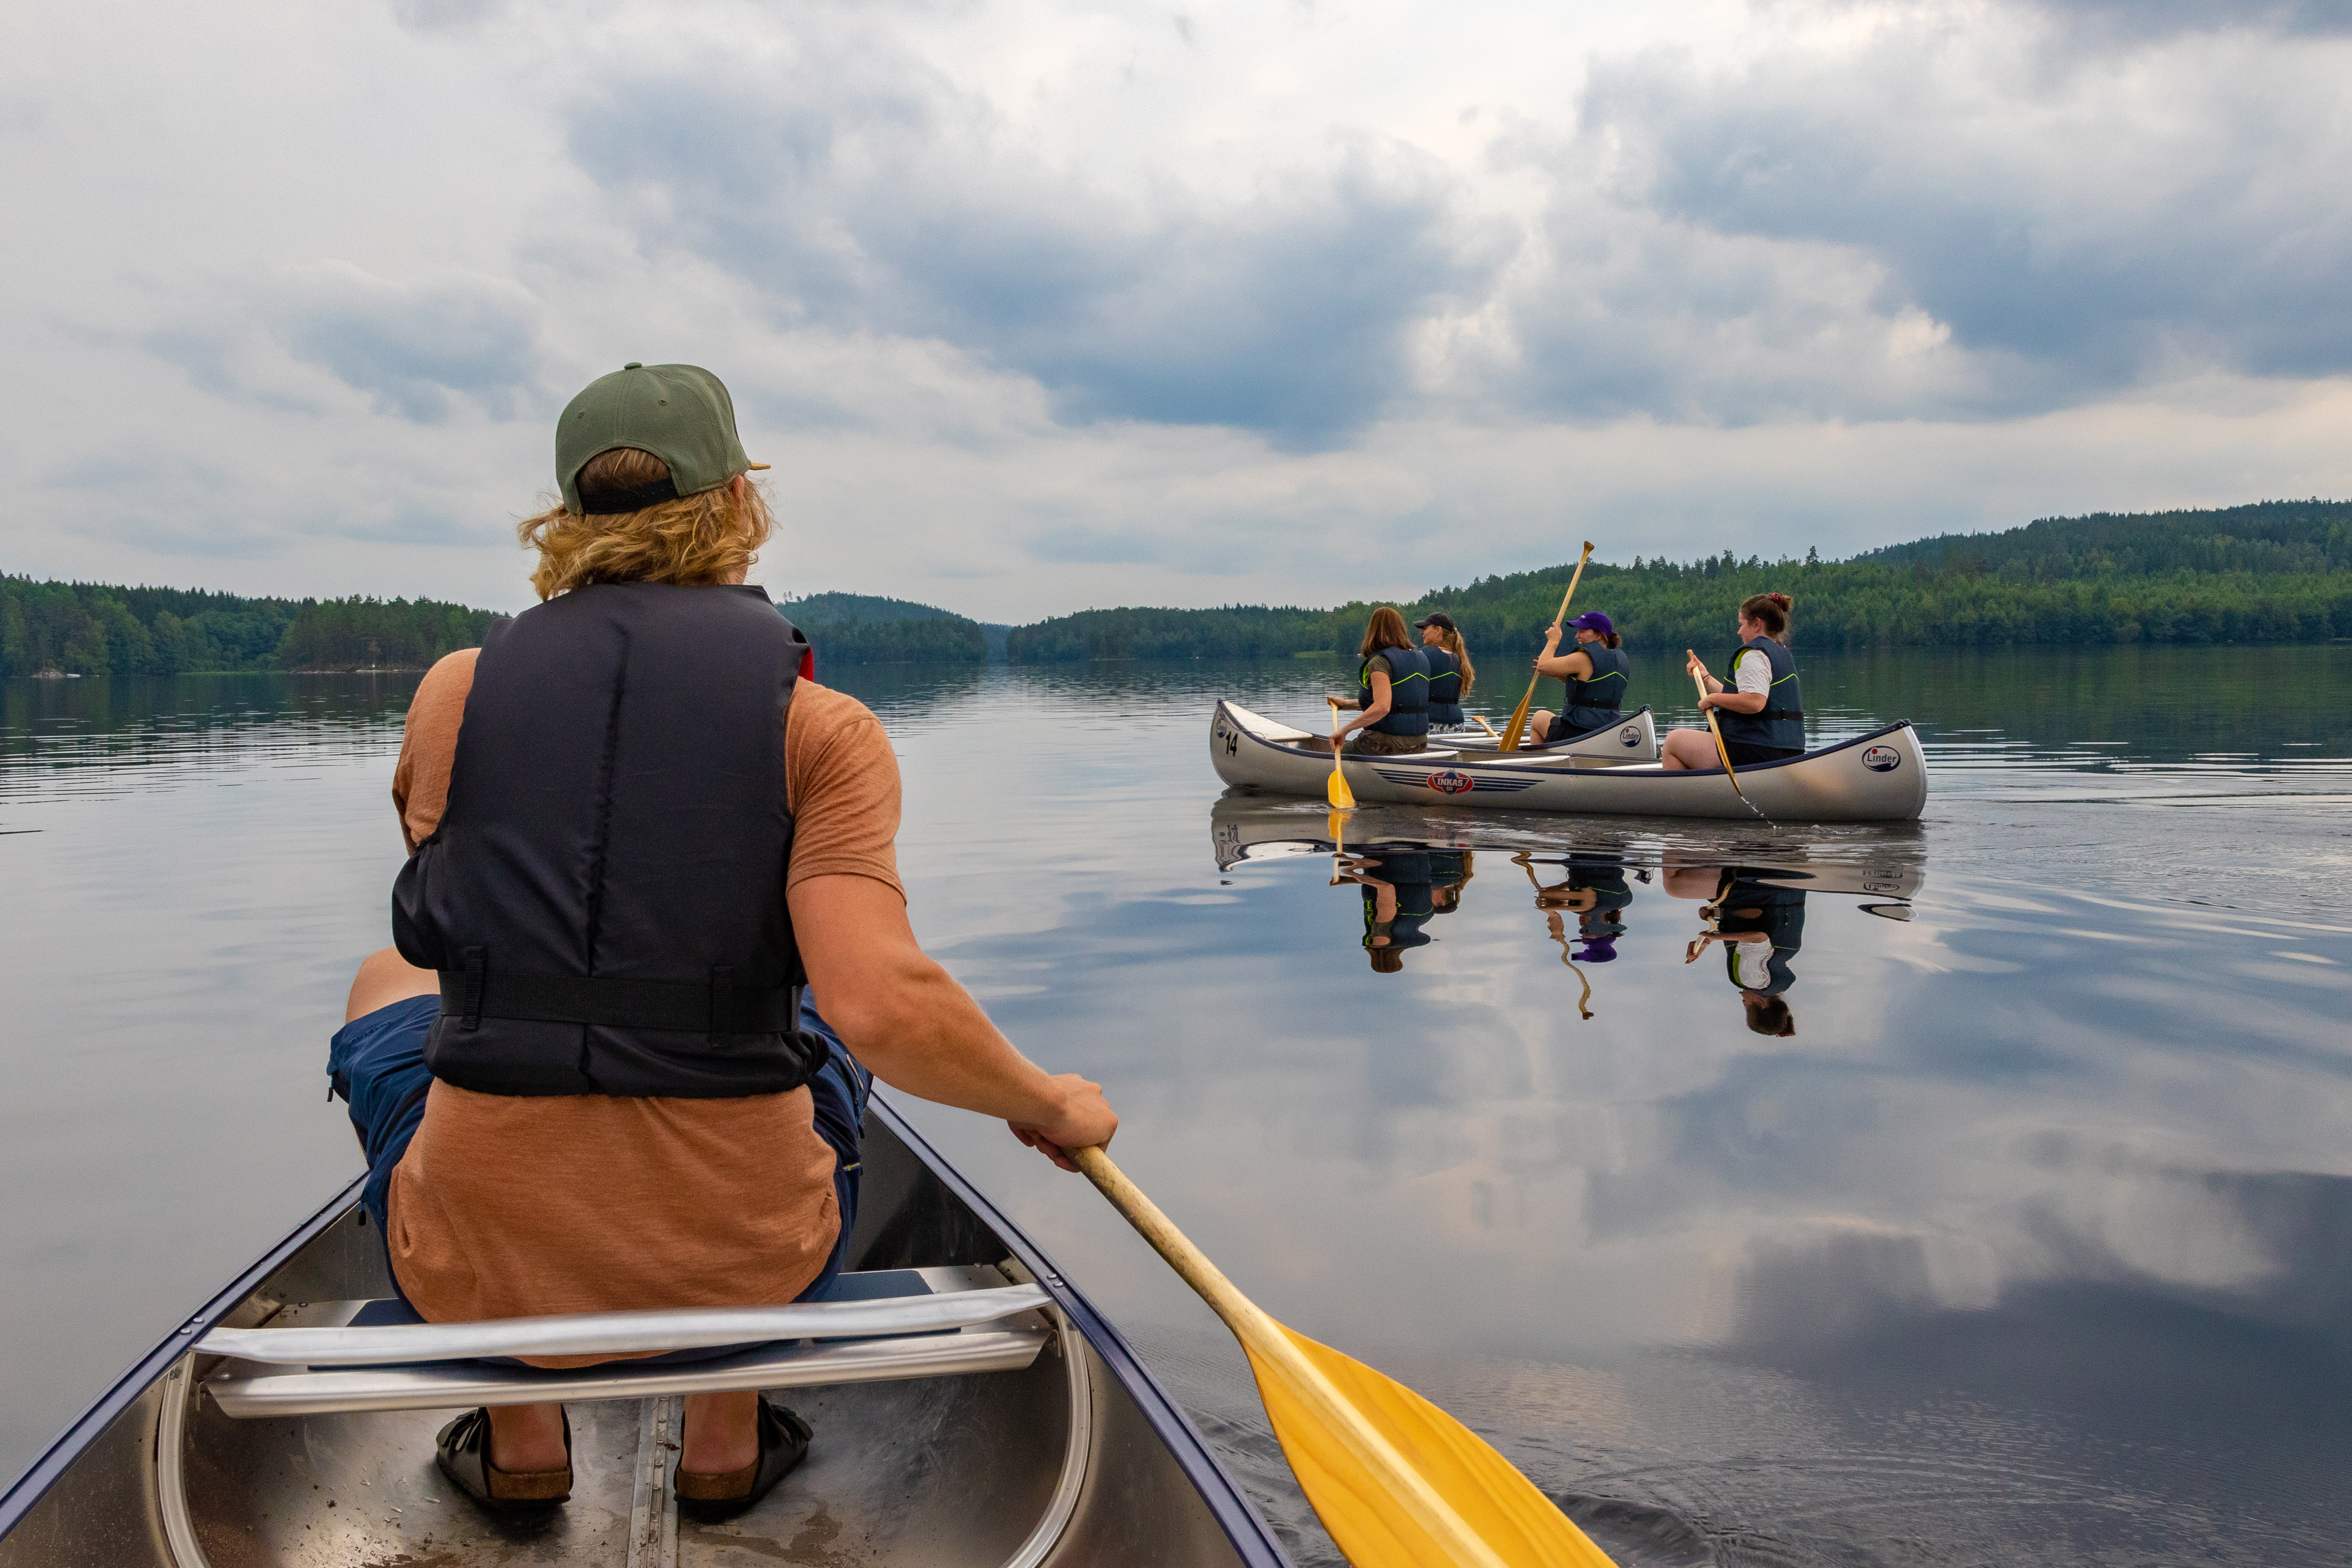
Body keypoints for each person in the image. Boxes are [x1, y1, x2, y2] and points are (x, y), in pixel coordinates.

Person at [327, 362, 1117, 1517]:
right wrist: (1046, 1102)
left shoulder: (458, 691)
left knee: (389, 980)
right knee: (808, 1015)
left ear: (563, 520)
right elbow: (884, 1005)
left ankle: (524, 1438)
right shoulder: (821, 726)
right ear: (740, 505)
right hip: (754, 1263)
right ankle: (724, 1445)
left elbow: (468, 921)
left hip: (477, 1260)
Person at [1660, 593, 1803, 771]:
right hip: (1788, 752)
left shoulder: (1753, 654)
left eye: (1742, 624)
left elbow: (1755, 702)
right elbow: (1740, 698)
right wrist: (1706, 677)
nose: (1739, 631)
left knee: (1673, 742)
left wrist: (1712, 699)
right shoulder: (1781, 653)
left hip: (1755, 750)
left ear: (1757, 624)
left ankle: (1679, 797)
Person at [1668, 864, 1804, 1035]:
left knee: (1694, 889)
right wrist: (1715, 938)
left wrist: (1714, 919)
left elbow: (1752, 922)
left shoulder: (1778, 977)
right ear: (1762, 1005)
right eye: (1748, 1009)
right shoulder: (1754, 981)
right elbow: (1759, 938)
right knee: (1674, 886)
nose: (1744, 1003)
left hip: (1789, 881)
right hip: (1756, 880)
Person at [1317, 606, 1430, 754]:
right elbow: (1396, 703)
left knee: (1333, 756)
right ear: (1401, 629)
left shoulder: (1380, 662)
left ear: (1373, 631)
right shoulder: (1422, 658)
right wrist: (1346, 704)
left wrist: (1344, 731)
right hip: (1420, 744)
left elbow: (1383, 707)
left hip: (1384, 743)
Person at [1528, 612, 1630, 745]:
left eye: (1582, 631)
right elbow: (1595, 688)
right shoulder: (1621, 658)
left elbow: (1543, 665)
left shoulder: (1584, 658)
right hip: (1609, 729)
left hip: (1580, 732)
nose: (1577, 636)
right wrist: (1563, 677)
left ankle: (1543, 762)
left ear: (1599, 635)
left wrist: (1553, 641)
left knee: (1539, 717)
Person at [1335, 843, 1436, 973]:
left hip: (1419, 854)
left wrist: (1349, 879)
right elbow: (1386, 888)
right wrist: (1350, 872)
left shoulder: (1425, 917)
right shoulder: (1381, 940)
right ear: (1376, 960)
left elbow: (1403, 888)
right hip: (1390, 853)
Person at [1412, 612, 1476, 730]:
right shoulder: (1460, 658)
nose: (1422, 632)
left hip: (1431, 723)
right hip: (1457, 724)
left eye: (1426, 629)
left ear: (1438, 631)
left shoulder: (1423, 655)